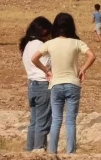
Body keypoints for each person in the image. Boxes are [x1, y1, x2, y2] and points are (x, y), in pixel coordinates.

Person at [31, 13, 96, 154]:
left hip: (56, 84)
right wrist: (82, 69)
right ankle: (70, 153)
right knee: (71, 121)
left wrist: (46, 71)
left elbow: (34, 58)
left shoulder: (50, 43)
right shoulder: (77, 43)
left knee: (56, 120)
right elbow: (92, 55)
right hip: (73, 84)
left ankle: (52, 153)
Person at [20, 16, 53, 152]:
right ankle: (39, 150)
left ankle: (29, 151)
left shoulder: (27, 45)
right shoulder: (40, 46)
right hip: (43, 85)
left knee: (34, 122)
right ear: (44, 31)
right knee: (42, 122)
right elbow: (47, 64)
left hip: (32, 85)